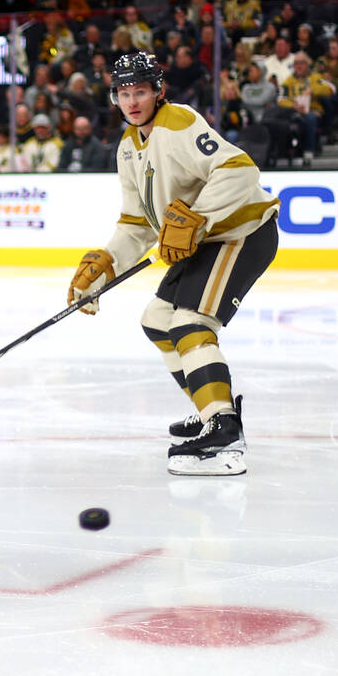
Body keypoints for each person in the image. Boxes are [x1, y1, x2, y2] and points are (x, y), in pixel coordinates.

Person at [68, 52, 279, 476]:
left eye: (140, 91)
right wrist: (105, 264)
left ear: (158, 91)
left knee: (190, 324)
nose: (132, 101)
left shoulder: (177, 122)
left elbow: (240, 170)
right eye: (124, 93)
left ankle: (223, 429)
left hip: (241, 232)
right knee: (157, 320)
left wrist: (197, 217)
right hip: (205, 242)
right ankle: (209, 411)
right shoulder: (128, 147)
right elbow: (135, 224)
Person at [277, 52, 334, 166]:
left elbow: (331, 89)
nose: (298, 66)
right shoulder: (288, 81)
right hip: (294, 112)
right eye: (296, 63)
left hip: (313, 111)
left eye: (302, 63)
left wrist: (313, 90)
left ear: (308, 64)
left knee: (310, 118)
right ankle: (283, 154)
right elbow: (281, 99)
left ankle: (309, 150)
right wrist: (293, 105)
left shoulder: (316, 78)